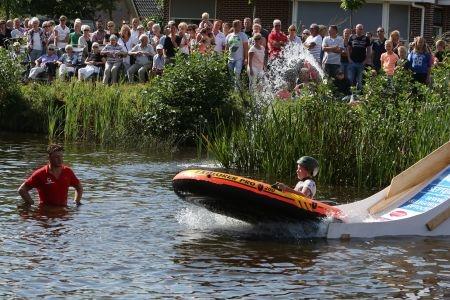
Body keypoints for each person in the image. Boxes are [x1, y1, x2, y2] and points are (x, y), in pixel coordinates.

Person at [18, 144, 82, 206]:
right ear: (49, 157)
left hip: (63, 212)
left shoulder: (68, 171)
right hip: (46, 213)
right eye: (57, 157)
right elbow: (22, 190)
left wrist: (76, 202)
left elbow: (79, 187)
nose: (60, 160)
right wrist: (31, 203)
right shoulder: (40, 174)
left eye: (61, 156)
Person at [225, 20, 249, 87]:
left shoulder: (243, 35)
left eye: (241, 25)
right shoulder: (229, 36)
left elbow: (246, 48)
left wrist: (246, 58)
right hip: (230, 59)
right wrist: (225, 57)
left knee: (237, 73)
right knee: (231, 76)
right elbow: (226, 48)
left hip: (239, 59)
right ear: (234, 26)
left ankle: (237, 91)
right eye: (239, 25)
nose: (241, 26)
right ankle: (232, 90)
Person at [347, 24, 371, 90]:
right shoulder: (352, 37)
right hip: (352, 62)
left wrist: (365, 60)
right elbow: (348, 49)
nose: (360, 30)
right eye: (358, 29)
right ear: (356, 29)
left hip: (361, 63)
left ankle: (359, 96)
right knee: (351, 79)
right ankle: (351, 94)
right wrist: (349, 58)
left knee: (359, 81)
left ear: (363, 30)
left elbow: (369, 50)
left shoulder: (366, 38)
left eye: (361, 29)